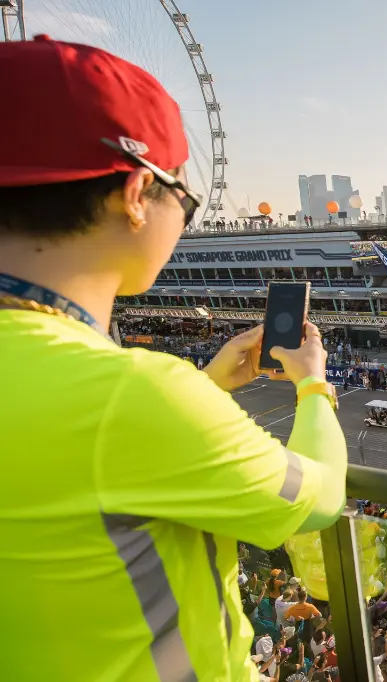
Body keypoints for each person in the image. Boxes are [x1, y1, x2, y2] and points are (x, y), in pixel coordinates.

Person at [0, 37, 349, 681]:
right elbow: (321, 498)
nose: (187, 218)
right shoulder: (132, 392)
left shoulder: (130, 392)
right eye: (184, 200)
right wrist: (312, 385)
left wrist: (204, 387)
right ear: (136, 193)